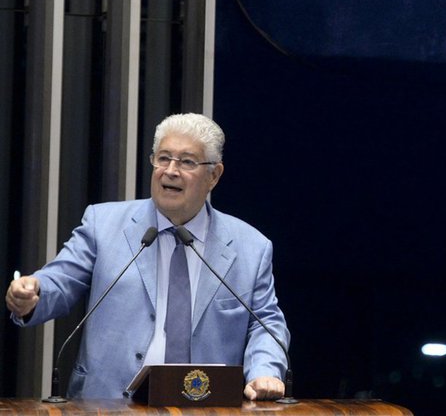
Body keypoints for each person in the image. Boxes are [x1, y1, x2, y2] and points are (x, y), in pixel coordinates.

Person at [5, 113, 290, 400]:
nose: (170, 170)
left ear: (213, 175)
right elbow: (61, 279)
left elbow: (266, 323)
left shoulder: (251, 247)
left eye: (187, 162)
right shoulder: (103, 224)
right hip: (106, 405)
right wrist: (33, 293)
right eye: (163, 158)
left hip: (206, 406)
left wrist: (264, 371)